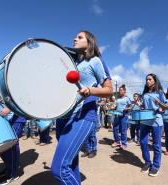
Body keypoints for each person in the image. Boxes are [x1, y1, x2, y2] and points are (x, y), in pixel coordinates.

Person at [51, 31, 113, 185]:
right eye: (75, 37)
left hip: (82, 115)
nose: (74, 39)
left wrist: (90, 90)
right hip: (63, 117)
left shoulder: (95, 61)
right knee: (70, 163)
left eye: (80, 37)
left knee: (59, 169)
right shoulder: (72, 63)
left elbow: (109, 90)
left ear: (90, 42)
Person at [137, 74, 168, 177]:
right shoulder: (145, 93)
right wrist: (139, 105)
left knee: (156, 144)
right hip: (145, 120)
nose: (147, 81)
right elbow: (145, 105)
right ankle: (147, 162)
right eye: (146, 79)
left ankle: (155, 166)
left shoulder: (159, 92)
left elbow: (166, 107)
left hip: (156, 121)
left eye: (150, 79)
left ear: (155, 81)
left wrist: (159, 104)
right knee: (143, 142)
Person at [0, 108, 26, 185]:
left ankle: (12, 174)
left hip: (18, 117)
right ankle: (10, 166)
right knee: (1, 143)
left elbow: (22, 99)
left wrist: (9, 108)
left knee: (12, 144)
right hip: (6, 118)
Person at [111, 84, 132, 150]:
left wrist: (127, 109)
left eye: (121, 90)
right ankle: (116, 141)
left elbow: (131, 106)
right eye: (119, 90)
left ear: (124, 91)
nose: (120, 92)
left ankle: (123, 143)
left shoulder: (127, 98)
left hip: (124, 115)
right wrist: (112, 107)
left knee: (123, 129)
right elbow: (115, 105)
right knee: (115, 128)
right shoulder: (118, 99)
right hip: (117, 115)